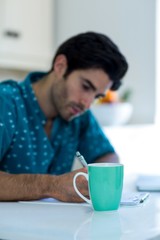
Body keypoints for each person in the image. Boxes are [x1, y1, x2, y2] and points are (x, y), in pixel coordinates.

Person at [0, 31, 128, 202]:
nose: (87, 103)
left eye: (96, 97)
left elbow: (107, 156)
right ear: (60, 66)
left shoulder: (78, 115)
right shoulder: (6, 101)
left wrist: (98, 178)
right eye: (85, 86)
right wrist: (53, 186)